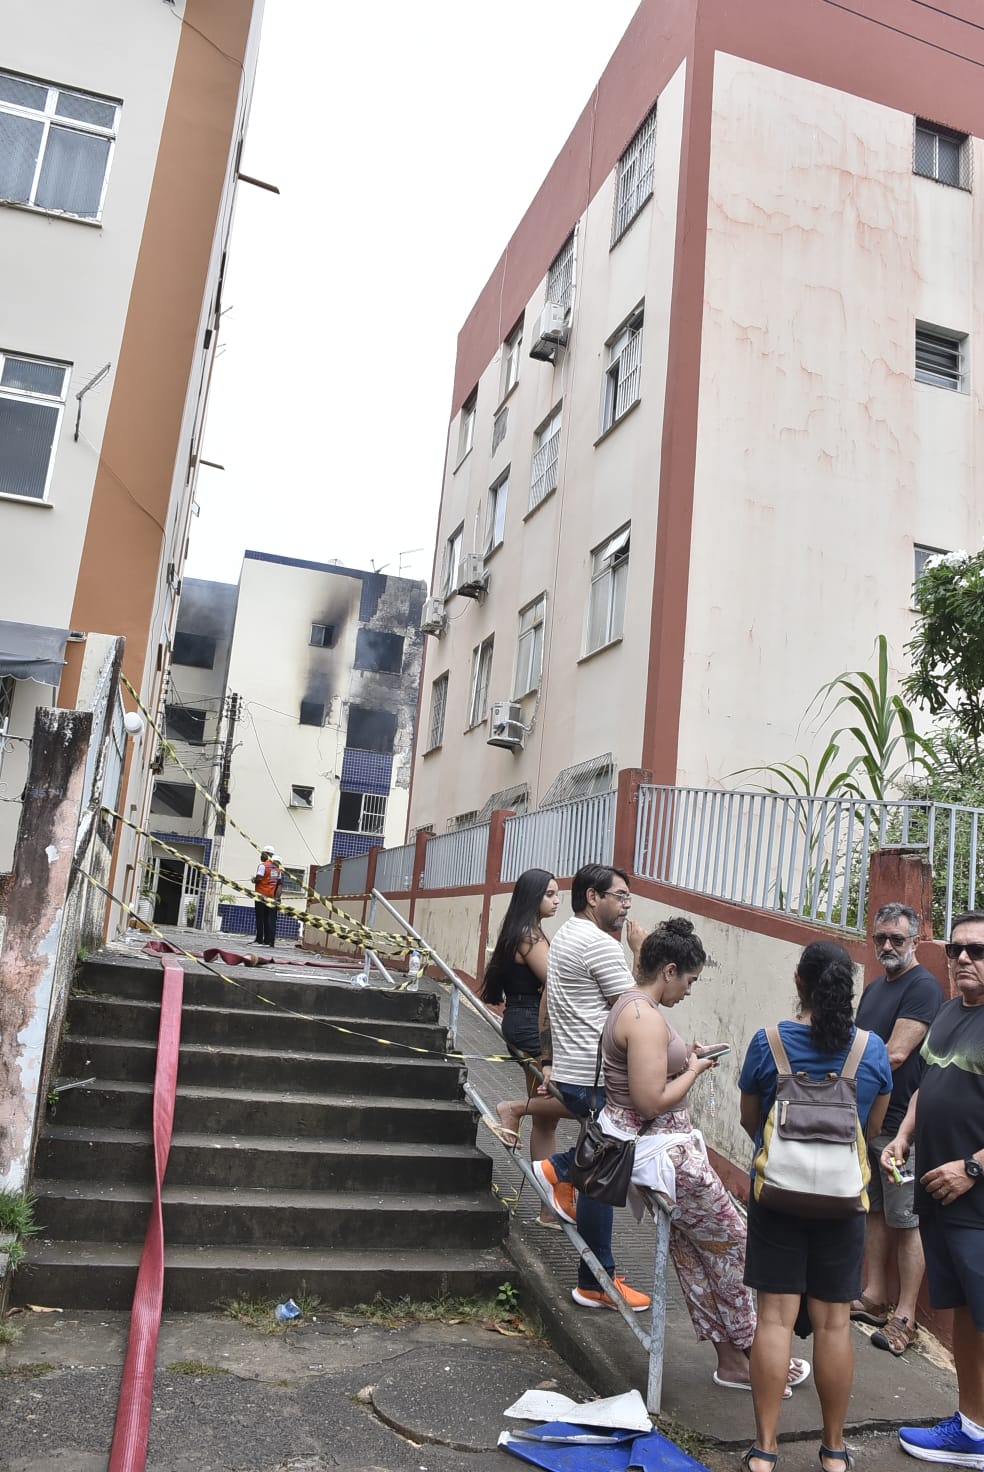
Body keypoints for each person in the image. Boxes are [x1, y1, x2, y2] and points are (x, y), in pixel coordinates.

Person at [598, 917, 810, 1394]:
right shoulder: (643, 1016)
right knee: (736, 1243)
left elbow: (647, 1075)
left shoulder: (631, 1006)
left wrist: (683, 1058)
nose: (690, 991)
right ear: (669, 970)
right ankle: (757, 1350)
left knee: (694, 1255)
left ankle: (732, 1359)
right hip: (666, 1154)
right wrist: (692, 1069)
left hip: (655, 1153)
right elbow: (650, 1100)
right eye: (690, 980)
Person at [739, 941, 892, 1472]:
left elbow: (750, 1120)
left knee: (775, 1322)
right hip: (844, 1204)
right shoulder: (870, 1051)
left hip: (778, 1200)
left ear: (799, 983)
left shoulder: (769, 1042)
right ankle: (833, 1451)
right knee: (833, 1326)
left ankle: (764, 1451)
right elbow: (872, 1129)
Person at [887, 911, 984, 1469]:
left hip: (977, 1202)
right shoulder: (949, 1013)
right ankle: (973, 1428)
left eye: (978, 950)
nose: (965, 958)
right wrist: (903, 1136)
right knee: (968, 1316)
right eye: (956, 949)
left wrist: (971, 1168)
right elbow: (927, 1084)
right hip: (941, 1199)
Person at [531, 863, 651, 1312]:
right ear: (593, 898)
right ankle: (554, 1172)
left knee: (601, 1177)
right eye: (619, 896)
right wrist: (640, 951)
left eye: (628, 898)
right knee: (604, 1168)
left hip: (573, 1071)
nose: (625, 906)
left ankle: (594, 1278)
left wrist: (548, 1061)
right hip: (597, 1078)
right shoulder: (601, 945)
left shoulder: (564, 935)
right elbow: (637, 1010)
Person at [851, 902, 942, 1355]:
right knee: (875, 1210)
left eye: (897, 940)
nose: (887, 946)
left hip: (902, 1125)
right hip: (870, 1123)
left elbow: (894, 1055)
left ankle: (905, 1317)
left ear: (917, 941)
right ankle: (872, 1296)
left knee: (906, 1219)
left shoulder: (923, 988)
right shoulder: (874, 988)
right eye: (880, 938)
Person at [479, 869, 574, 1228]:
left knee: (547, 1119)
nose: (557, 899)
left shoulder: (524, 931)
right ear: (532, 897)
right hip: (532, 1025)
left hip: (525, 1021)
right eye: (550, 894)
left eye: (557, 893)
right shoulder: (529, 935)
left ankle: (549, 1208)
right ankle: (512, 1109)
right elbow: (557, 981)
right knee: (571, 1104)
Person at [253, 844, 279, 947]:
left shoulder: (263, 865)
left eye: (262, 853)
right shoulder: (277, 867)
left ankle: (259, 939)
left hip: (260, 895)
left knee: (260, 918)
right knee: (267, 918)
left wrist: (253, 880)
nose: (261, 856)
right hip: (270, 896)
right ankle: (267, 940)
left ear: (266, 854)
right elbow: (277, 881)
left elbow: (259, 878)